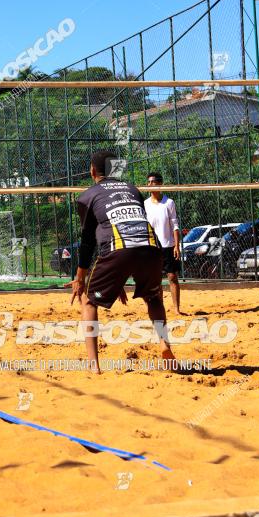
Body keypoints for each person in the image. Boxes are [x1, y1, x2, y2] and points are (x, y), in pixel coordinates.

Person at [68, 151, 177, 374]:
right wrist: (117, 278)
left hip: (118, 250)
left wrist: (80, 278)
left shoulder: (87, 196)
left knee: (88, 302)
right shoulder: (133, 189)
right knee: (154, 297)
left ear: (92, 171)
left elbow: (88, 242)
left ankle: (94, 365)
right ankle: (164, 344)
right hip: (151, 247)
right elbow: (133, 224)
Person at [144, 172, 182, 314]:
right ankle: (160, 308)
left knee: (172, 277)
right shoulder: (145, 204)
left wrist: (177, 246)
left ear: (159, 184)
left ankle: (177, 309)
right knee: (156, 280)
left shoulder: (168, 202)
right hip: (153, 247)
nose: (149, 185)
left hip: (168, 246)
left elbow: (175, 225)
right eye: (148, 182)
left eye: (152, 182)